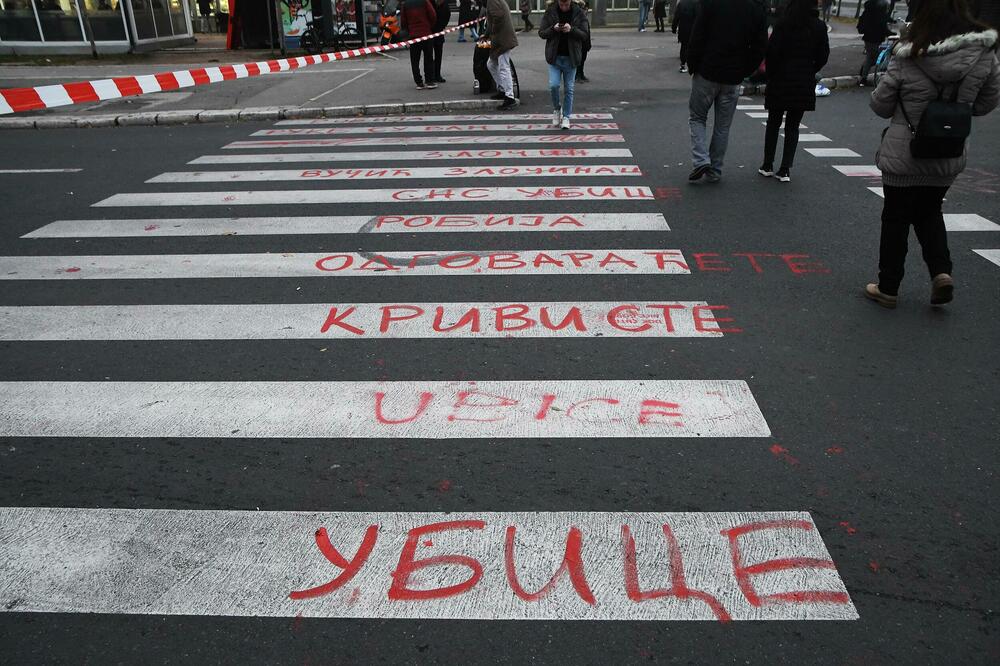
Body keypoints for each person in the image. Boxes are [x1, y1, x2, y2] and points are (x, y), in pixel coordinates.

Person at [864, 0, 999, 308]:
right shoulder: (982, 53)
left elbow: (881, 105)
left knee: (896, 217)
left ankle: (888, 287)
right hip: (948, 150)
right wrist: (955, 110)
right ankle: (941, 272)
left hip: (904, 151)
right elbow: (987, 103)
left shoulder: (909, 52)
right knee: (930, 210)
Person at [686, 0, 768, 183]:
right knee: (722, 126)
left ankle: (700, 159)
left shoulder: (712, 4)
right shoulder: (755, 8)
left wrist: (693, 64)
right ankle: (715, 169)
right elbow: (760, 46)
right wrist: (745, 70)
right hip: (733, 76)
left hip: (707, 70)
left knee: (697, 117)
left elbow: (697, 35)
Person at [758, 0, 830, 182]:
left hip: (780, 79)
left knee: (773, 122)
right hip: (803, 80)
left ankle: (767, 164)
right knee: (793, 126)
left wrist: (771, 74)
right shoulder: (819, 27)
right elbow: (823, 55)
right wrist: (811, 69)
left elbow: (772, 52)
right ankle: (785, 168)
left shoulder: (783, 25)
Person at [540, 0, 590, 128]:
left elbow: (585, 34)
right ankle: (557, 109)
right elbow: (542, 32)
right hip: (554, 57)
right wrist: (553, 28)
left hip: (571, 57)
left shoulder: (578, 12)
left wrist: (571, 30)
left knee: (569, 89)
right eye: (561, 5)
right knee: (554, 85)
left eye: (566, 5)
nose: (564, 7)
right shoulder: (551, 11)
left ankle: (566, 116)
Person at [487, 0, 519, 108]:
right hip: (502, 38)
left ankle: (509, 97)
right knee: (491, 64)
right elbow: (493, 18)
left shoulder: (492, 1)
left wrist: (491, 33)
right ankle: (502, 89)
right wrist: (487, 34)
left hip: (502, 39)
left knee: (503, 67)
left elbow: (498, 17)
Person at [400, 0, 437, 89]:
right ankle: (429, 81)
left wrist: (408, 31)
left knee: (415, 60)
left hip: (413, 36)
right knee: (428, 58)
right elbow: (433, 15)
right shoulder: (425, 2)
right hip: (426, 33)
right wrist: (429, 26)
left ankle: (419, 82)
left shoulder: (406, 4)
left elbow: (403, 21)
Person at [858, 0, 892, 84]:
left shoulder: (868, 13)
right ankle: (865, 72)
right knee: (877, 57)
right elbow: (884, 28)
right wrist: (891, 34)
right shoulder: (880, 15)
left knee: (870, 57)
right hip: (876, 39)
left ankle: (863, 76)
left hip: (868, 38)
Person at [672, 0, 698, 73]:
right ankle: (693, 65)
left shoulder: (681, 3)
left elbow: (676, 17)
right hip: (693, 29)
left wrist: (674, 28)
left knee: (684, 46)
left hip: (683, 29)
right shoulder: (696, 3)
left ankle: (683, 65)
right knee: (693, 47)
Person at [431, 0, 451, 83]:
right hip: (433, 32)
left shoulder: (443, 5)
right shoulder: (432, 3)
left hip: (435, 31)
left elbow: (447, 16)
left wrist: (442, 26)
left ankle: (436, 74)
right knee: (431, 55)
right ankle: (433, 75)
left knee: (437, 55)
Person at [575, 0, 592, 81]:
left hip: (584, 40)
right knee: (579, 58)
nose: (586, 11)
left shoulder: (585, 19)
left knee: (583, 58)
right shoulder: (576, 7)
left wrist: (588, 44)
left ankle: (581, 74)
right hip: (579, 39)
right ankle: (577, 75)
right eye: (585, 9)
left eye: (586, 9)